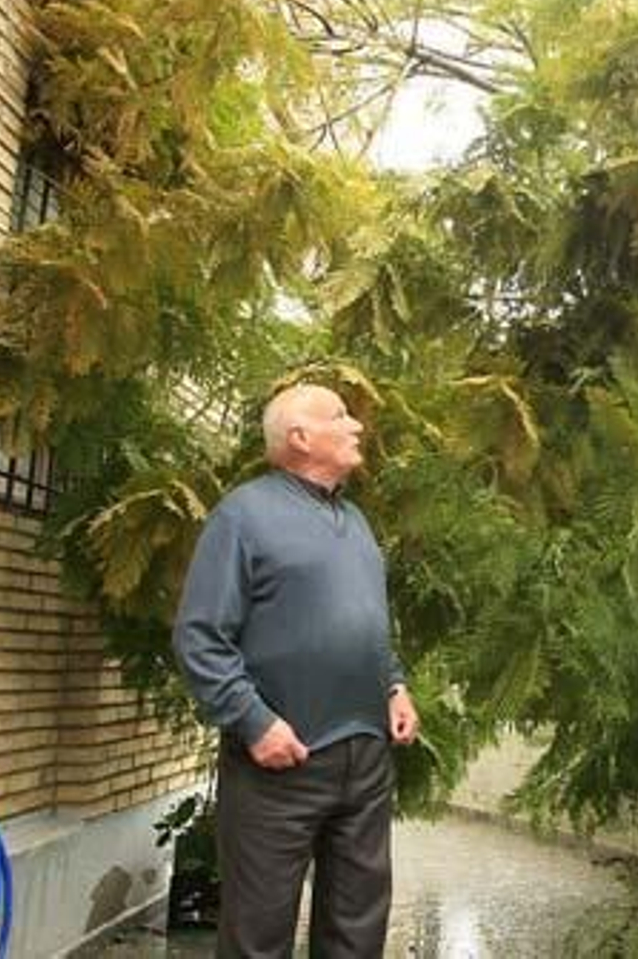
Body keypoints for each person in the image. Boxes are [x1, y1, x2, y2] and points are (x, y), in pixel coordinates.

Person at [173, 383, 419, 958]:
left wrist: (395, 685)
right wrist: (253, 722)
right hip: (280, 767)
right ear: (300, 437)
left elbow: (369, 623)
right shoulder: (243, 514)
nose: (357, 426)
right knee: (257, 938)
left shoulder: (356, 522)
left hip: (365, 761)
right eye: (341, 416)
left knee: (357, 936)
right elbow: (200, 637)